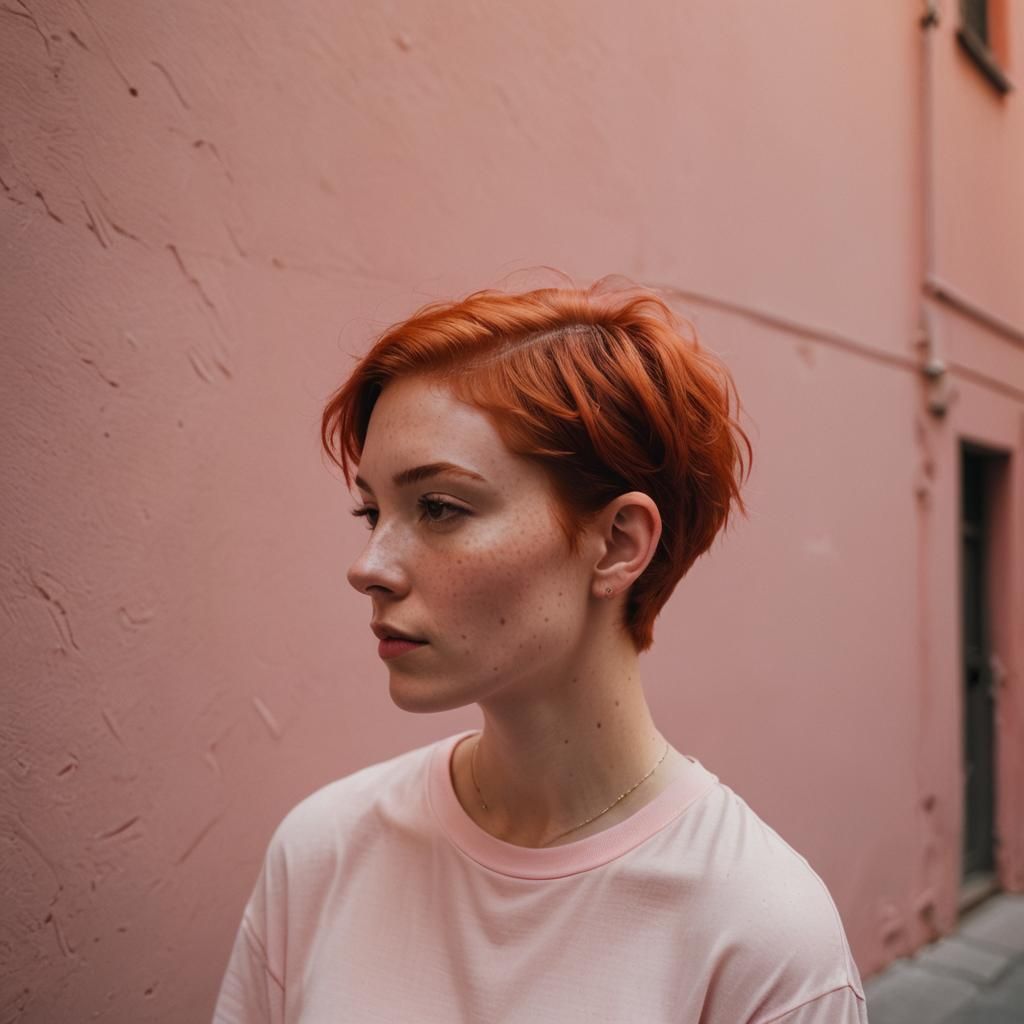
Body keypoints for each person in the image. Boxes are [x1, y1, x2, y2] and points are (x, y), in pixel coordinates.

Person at [212, 275, 869, 1023]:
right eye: (372, 512)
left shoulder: (762, 939)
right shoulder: (324, 851)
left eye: (439, 507)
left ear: (617, 544)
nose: (369, 567)